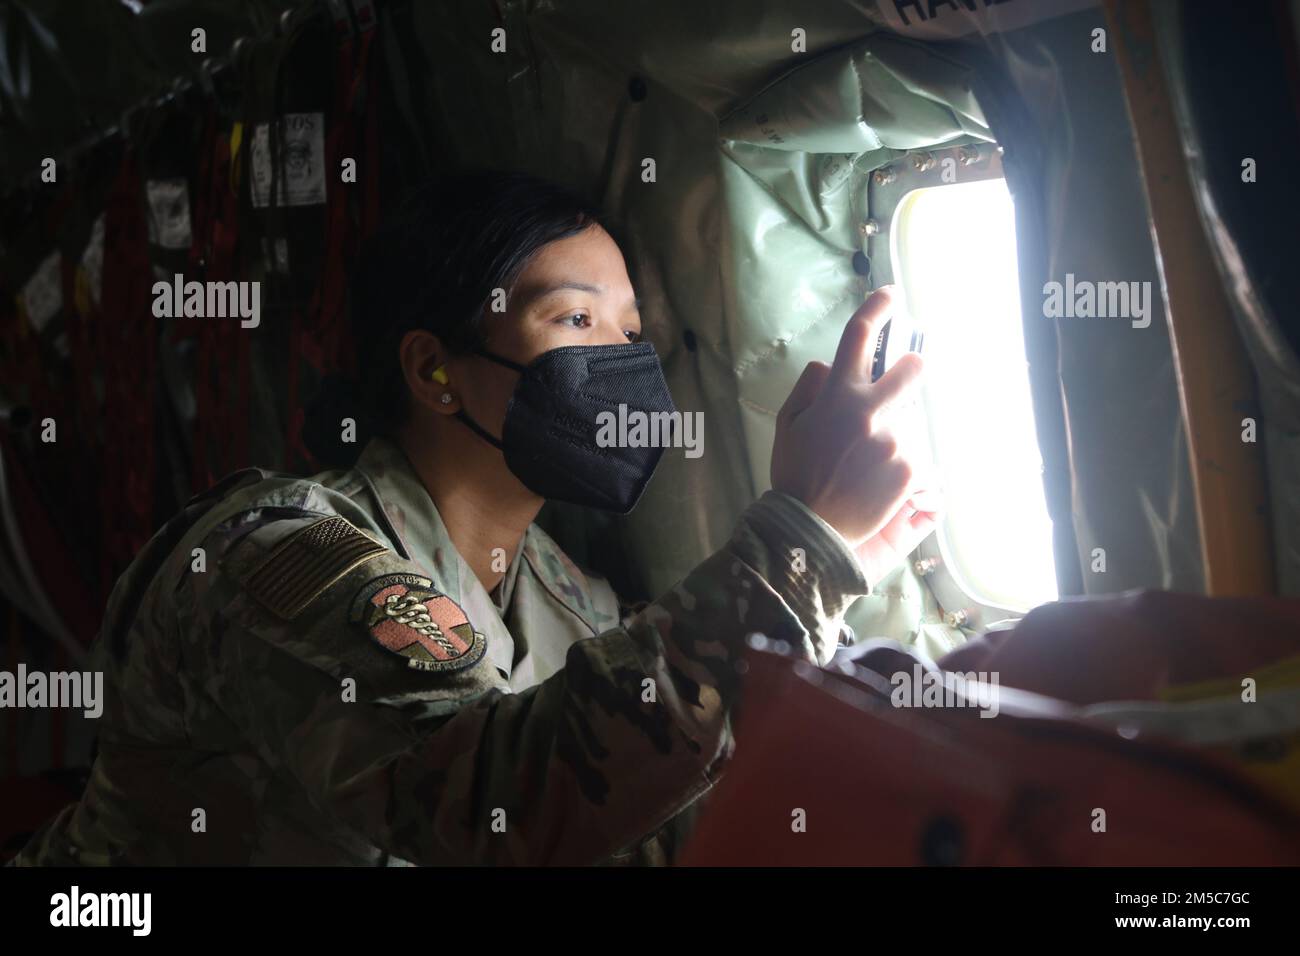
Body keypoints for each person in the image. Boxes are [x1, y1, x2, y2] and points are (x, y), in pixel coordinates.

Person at [10, 169, 934, 866]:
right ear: (434, 372)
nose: (620, 361)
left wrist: (834, 575)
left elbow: (641, 822)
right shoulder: (280, 552)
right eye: (574, 322)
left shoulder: (569, 598)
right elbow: (488, 798)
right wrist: (795, 540)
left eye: (631, 331)